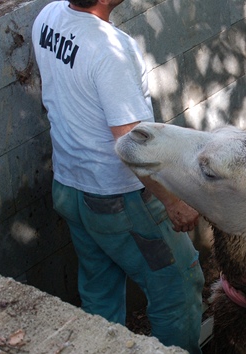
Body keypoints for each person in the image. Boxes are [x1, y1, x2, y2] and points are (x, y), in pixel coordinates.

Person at [31, 0, 204, 352]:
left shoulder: (48, 16)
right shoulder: (112, 50)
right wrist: (171, 200)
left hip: (70, 188)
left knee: (100, 292)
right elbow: (130, 144)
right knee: (178, 287)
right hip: (119, 202)